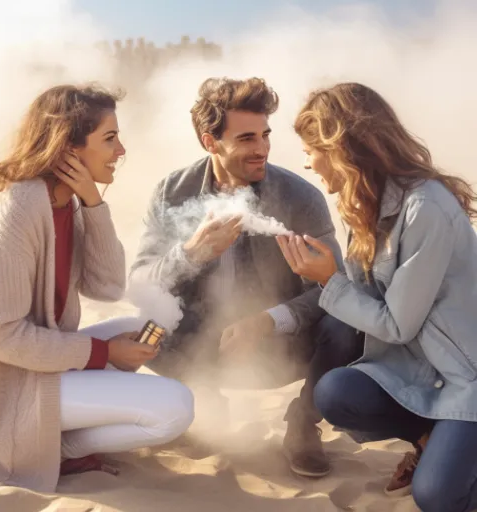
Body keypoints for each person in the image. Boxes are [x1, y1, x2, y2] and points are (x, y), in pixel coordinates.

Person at [128, 77, 363, 478]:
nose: (262, 149)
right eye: (247, 138)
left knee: (347, 323)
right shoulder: (172, 191)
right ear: (210, 142)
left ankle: (304, 424)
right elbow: (140, 283)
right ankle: (204, 400)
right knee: (141, 325)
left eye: (265, 135)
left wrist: (267, 320)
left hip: (279, 343)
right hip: (200, 342)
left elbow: (333, 289)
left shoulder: (300, 197)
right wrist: (191, 254)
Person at [0, 84, 194, 493]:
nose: (120, 150)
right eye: (109, 139)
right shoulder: (15, 210)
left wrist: (93, 203)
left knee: (142, 323)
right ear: (67, 149)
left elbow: (107, 287)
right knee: (175, 409)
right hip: (0, 386)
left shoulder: (64, 201)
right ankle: (58, 448)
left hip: (32, 363)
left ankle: (54, 441)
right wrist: (103, 353)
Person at [278, 82, 477, 512]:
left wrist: (329, 281)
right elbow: (365, 307)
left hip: (466, 376)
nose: (307, 161)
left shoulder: (425, 208)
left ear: (342, 149)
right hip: (423, 368)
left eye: (312, 149)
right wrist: (328, 277)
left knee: (437, 496)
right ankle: (428, 438)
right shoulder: (362, 207)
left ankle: (453, 449)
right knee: (335, 393)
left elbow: (396, 323)